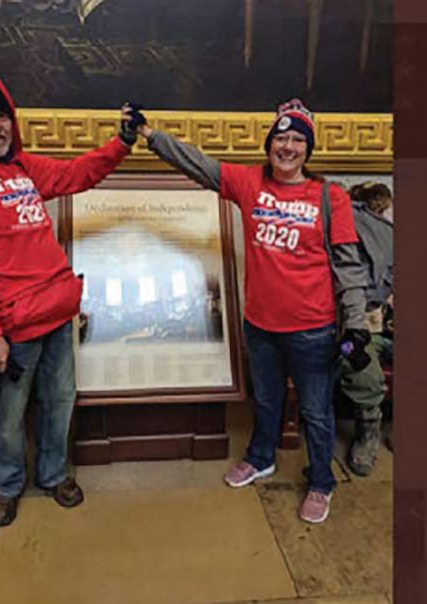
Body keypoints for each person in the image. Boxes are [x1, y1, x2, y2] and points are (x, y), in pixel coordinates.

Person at [136, 99, 371, 524]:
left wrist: (355, 324)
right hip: (261, 325)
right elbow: (198, 164)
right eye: (280, 138)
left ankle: (321, 481)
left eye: (298, 139)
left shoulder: (329, 196)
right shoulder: (249, 183)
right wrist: (152, 137)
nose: (288, 147)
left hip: (312, 330)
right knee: (265, 400)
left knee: (316, 413)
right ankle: (261, 457)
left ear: (308, 148)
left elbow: (349, 267)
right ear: (269, 144)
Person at [0, 75, 137, 527]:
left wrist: (121, 143)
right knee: (8, 417)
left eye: (3, 115)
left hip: (56, 314)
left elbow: (77, 173)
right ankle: (7, 486)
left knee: (60, 400)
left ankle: (52, 475)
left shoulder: (23, 167)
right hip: (11, 327)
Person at [339, 182, 394, 477]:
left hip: (389, 325)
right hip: (362, 328)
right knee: (365, 371)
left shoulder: (391, 241)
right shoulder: (353, 240)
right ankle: (368, 432)